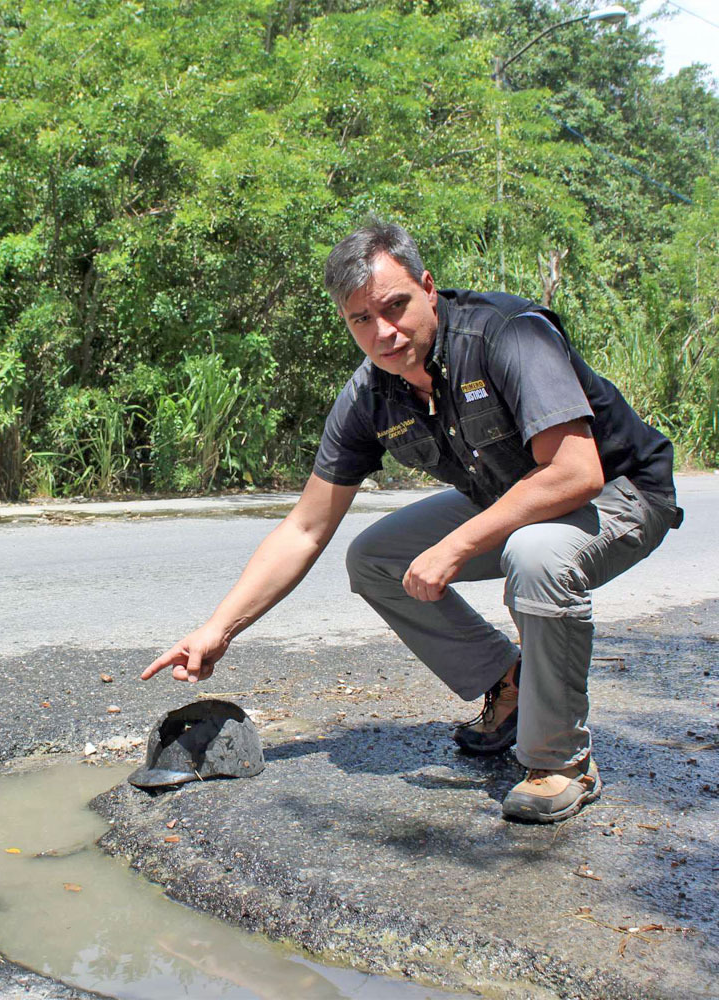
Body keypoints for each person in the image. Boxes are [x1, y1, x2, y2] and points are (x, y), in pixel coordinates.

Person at [141, 220, 682, 824]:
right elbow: (304, 529)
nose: (385, 332)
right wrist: (219, 628)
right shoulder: (370, 396)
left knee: (535, 556)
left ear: (428, 287)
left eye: (395, 306)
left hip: (620, 491)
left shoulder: (506, 334)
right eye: (361, 321)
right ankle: (513, 684)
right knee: (374, 557)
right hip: (514, 495)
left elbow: (575, 472)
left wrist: (458, 545)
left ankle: (559, 761)